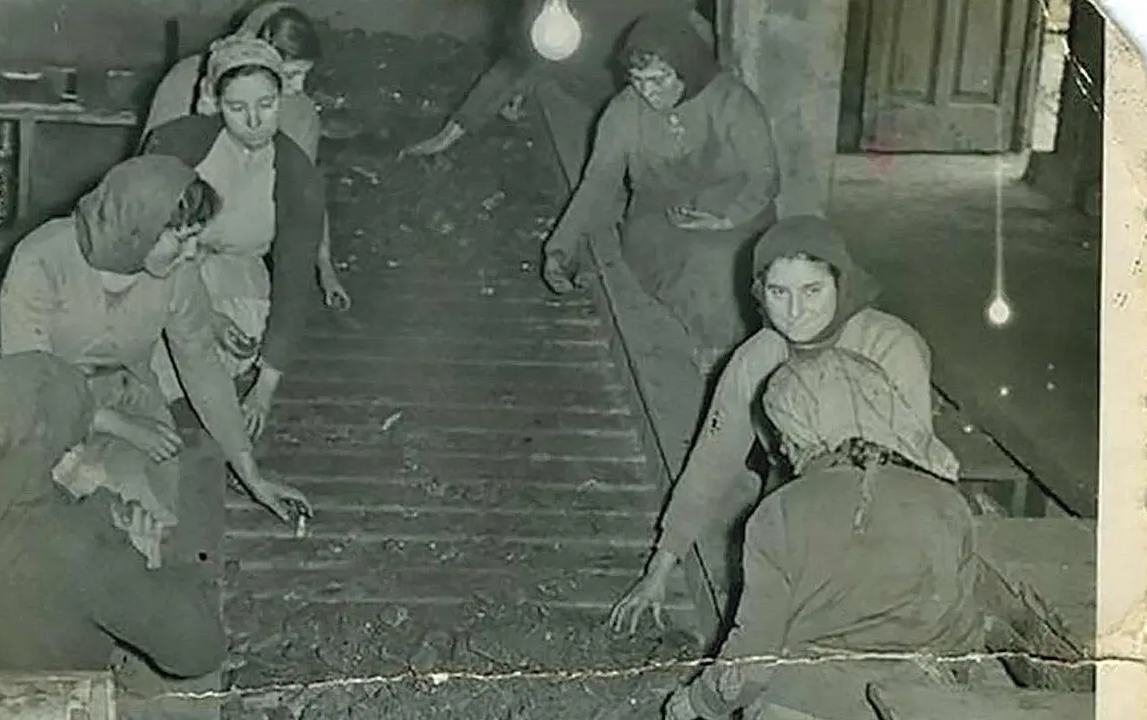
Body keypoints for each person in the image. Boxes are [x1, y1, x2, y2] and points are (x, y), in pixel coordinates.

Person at [609, 214, 942, 645]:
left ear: (842, 284)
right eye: (778, 293)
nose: (796, 311)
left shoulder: (891, 347)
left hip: (889, 507)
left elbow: (915, 472)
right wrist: (659, 568)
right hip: (794, 495)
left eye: (812, 291)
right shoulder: (758, 357)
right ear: (759, 295)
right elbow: (712, 460)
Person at [0, 155, 308, 583]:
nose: (193, 253)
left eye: (197, 238)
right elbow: (29, 379)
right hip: (35, 408)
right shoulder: (42, 259)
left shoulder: (176, 273)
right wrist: (111, 426)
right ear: (137, 228)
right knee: (53, 517)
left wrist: (251, 473)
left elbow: (201, 366)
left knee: (142, 526)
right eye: (181, 239)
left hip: (127, 395)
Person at [660, 347, 980, 720]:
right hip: (916, 703)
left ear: (798, 430)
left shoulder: (781, 512)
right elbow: (963, 636)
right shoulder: (947, 503)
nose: (781, 445)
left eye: (782, 432)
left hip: (806, 702)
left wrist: (698, 702)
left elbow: (752, 660)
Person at [0, 351, 226, 676]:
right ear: (65, 454)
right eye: (80, 437)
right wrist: (148, 564)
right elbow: (200, 653)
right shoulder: (84, 547)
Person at [541, 10, 780, 375]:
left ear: (686, 69)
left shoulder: (730, 101)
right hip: (661, 217)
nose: (647, 92)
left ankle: (737, 351)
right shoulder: (623, 114)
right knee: (689, 264)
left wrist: (726, 218)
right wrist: (560, 247)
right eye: (637, 80)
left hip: (738, 211)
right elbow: (597, 184)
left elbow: (764, 177)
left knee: (727, 262)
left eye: (659, 79)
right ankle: (717, 348)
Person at [143, 35, 347, 442]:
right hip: (164, 271)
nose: (254, 122)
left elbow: (292, 279)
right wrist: (206, 315)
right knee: (149, 364)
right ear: (216, 103)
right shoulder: (174, 144)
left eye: (266, 105)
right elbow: (144, 242)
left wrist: (265, 390)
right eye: (237, 108)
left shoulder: (296, 175)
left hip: (237, 271)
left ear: (281, 98)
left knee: (229, 355)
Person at [400, 0, 710, 193]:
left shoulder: (659, 16)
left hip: (655, 96)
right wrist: (451, 133)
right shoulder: (550, 14)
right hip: (589, 90)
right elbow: (518, 63)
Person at [143, 1, 324, 162]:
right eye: (290, 75)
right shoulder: (185, 80)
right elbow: (152, 167)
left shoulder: (303, 114)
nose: (299, 87)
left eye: (304, 74)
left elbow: (301, 190)